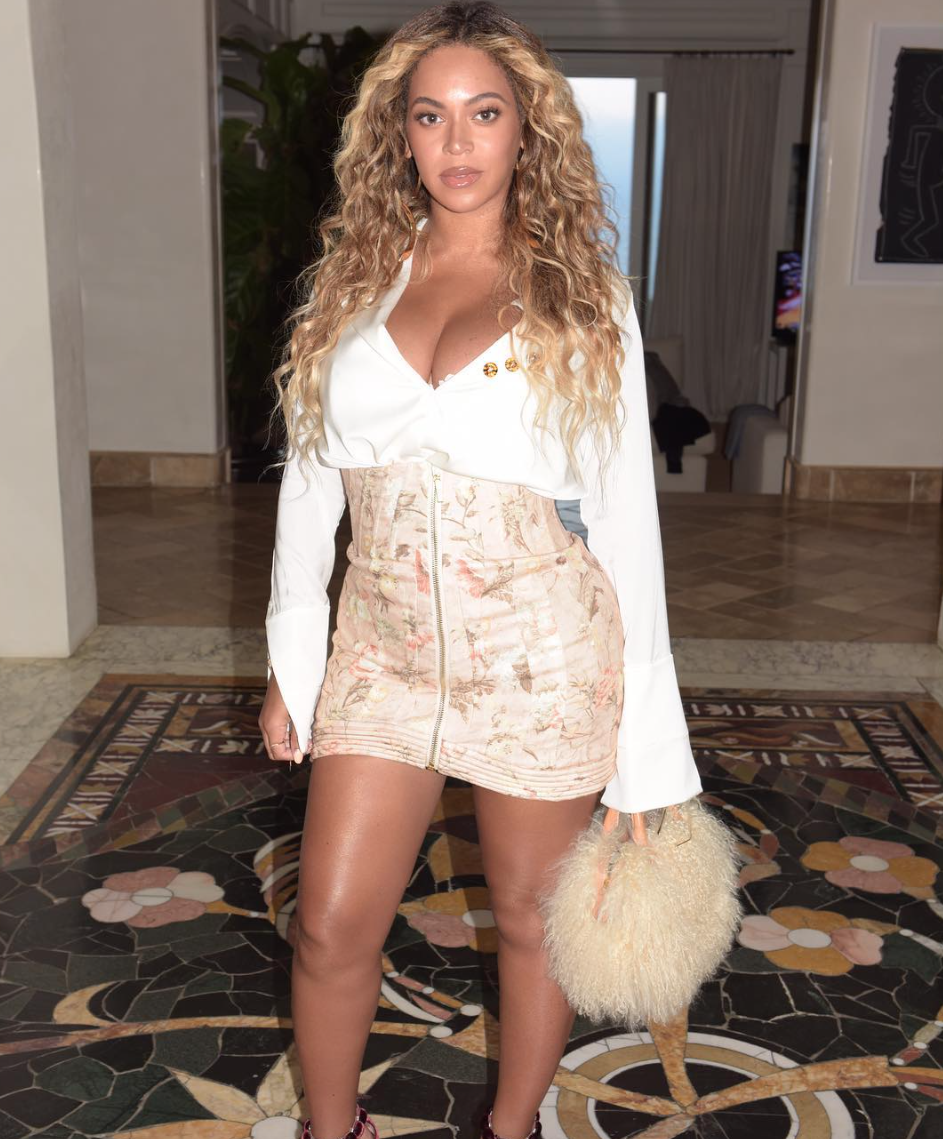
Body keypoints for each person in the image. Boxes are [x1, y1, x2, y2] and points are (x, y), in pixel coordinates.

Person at [258, 4, 702, 1139]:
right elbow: (310, 487)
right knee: (329, 922)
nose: (456, 141)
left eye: (485, 112)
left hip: (543, 654)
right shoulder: (349, 284)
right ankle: (329, 1127)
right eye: (430, 115)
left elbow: (627, 525)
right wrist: (291, 663)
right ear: (398, 135)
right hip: (380, 653)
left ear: (525, 130)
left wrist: (648, 756)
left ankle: (511, 1127)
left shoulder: (585, 295)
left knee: (531, 923)